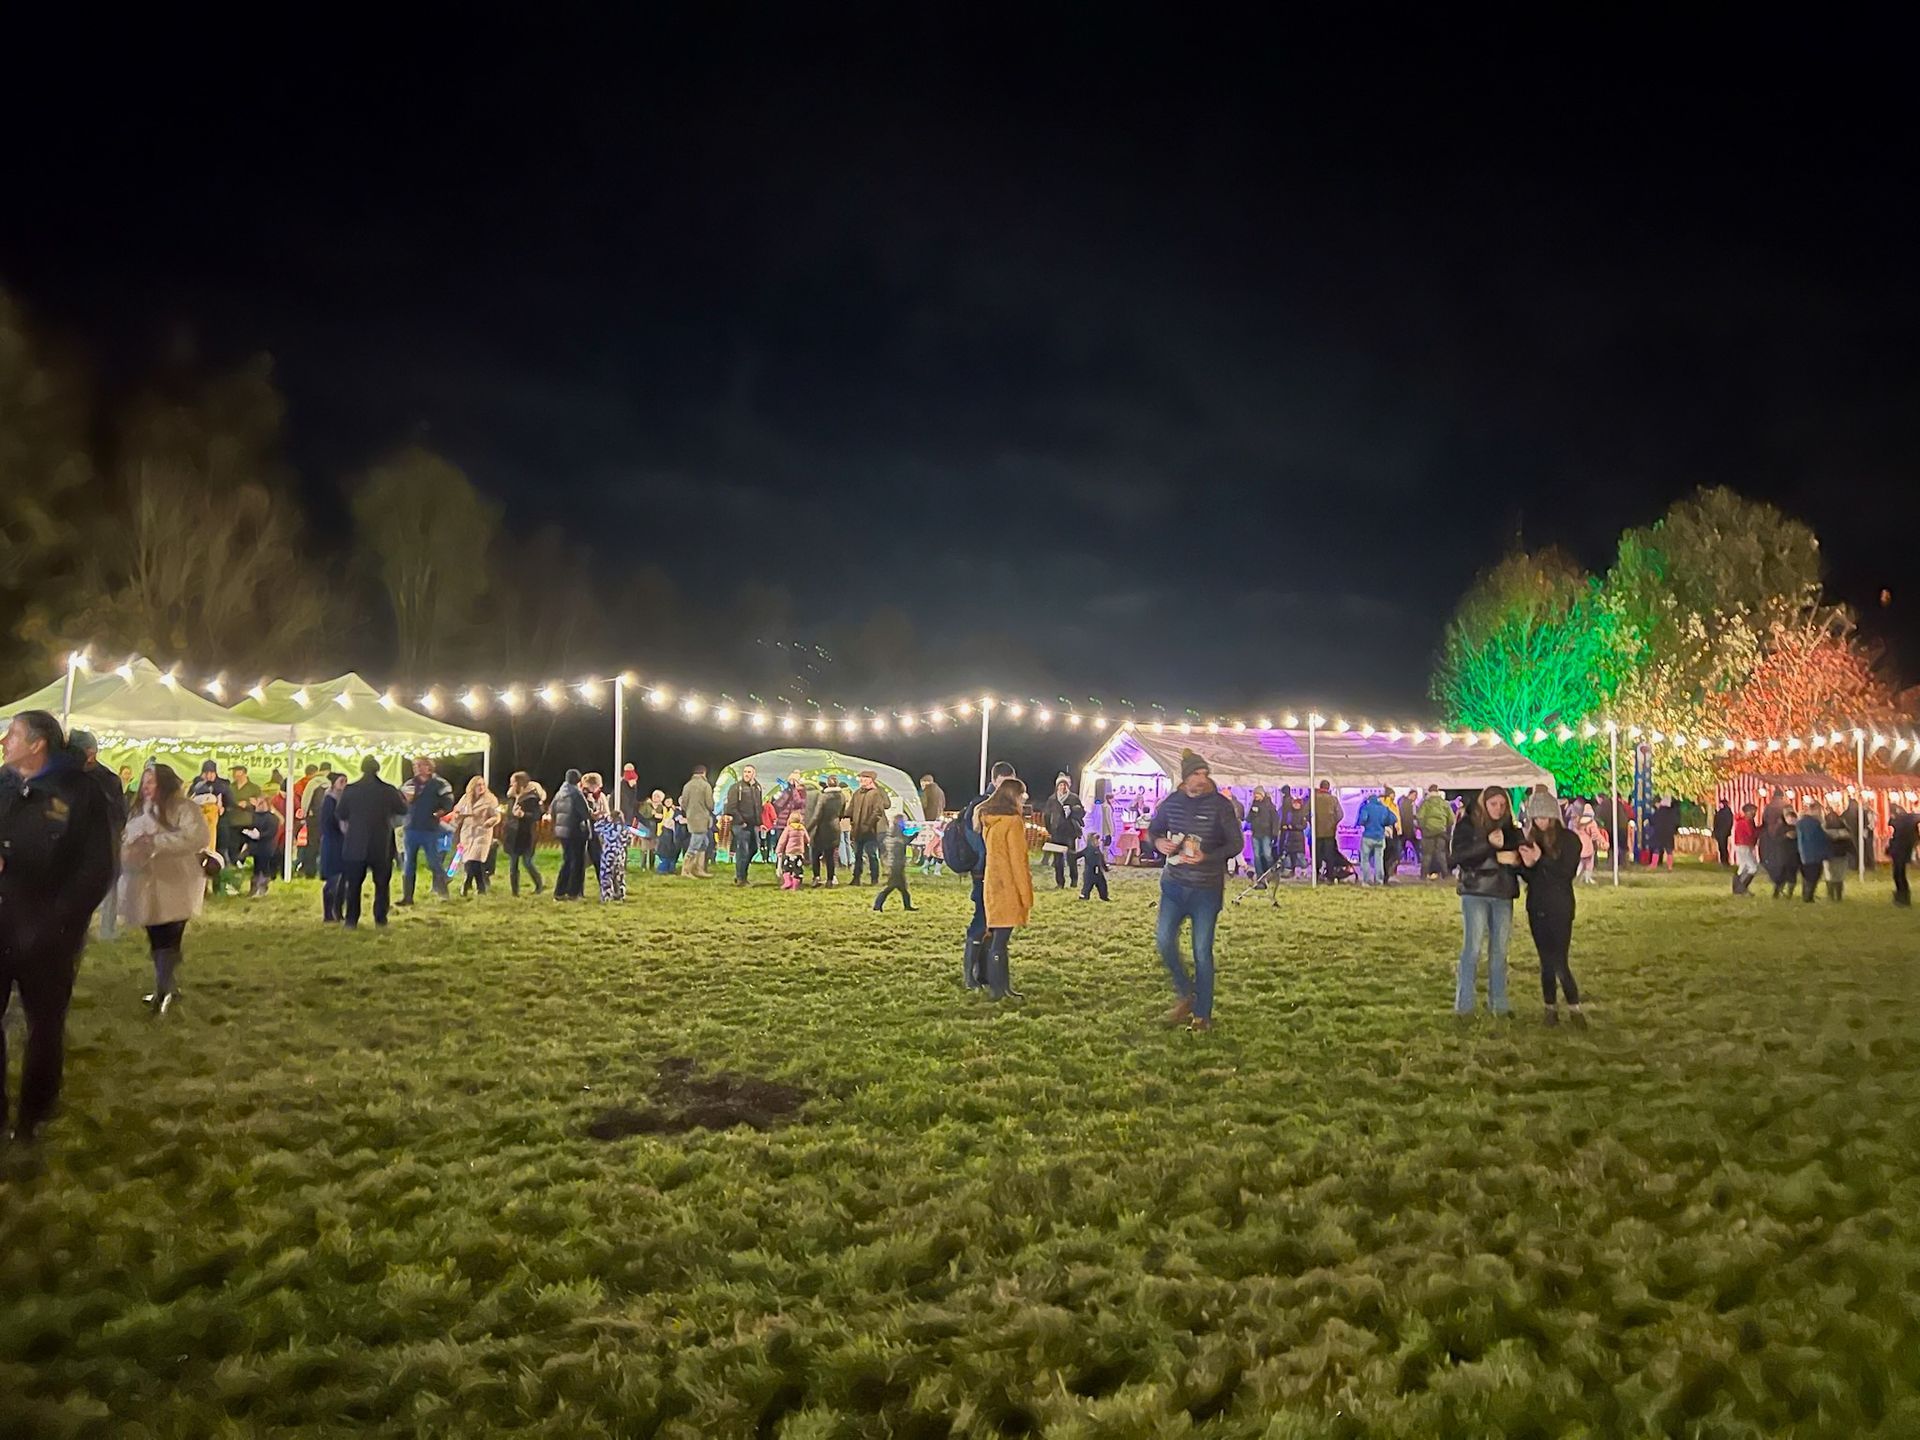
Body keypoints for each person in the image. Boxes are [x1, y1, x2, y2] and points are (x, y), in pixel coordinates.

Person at [0, 712, 116, 1141]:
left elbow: (97, 867)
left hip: (49, 932)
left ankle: (35, 1113)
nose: (3, 741)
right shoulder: (2, 784)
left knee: (44, 1025)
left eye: (11, 734)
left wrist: (60, 921)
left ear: (37, 744)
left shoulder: (80, 792)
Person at [1147, 750, 1241, 1032]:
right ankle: (1186, 992)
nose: (1202, 779)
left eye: (1204, 774)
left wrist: (1208, 857)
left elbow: (1235, 844)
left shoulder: (1221, 806)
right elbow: (1155, 829)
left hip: (1206, 890)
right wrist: (1158, 841)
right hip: (1174, 885)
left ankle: (1202, 1015)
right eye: (1196, 774)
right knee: (1164, 941)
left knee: (1202, 951)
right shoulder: (1172, 802)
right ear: (1186, 777)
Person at [118, 762, 210, 1013]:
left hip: (176, 881)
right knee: (156, 935)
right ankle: (165, 986)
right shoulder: (140, 810)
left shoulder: (184, 808)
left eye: (152, 782)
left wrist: (157, 842)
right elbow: (128, 838)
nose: (147, 787)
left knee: (170, 934)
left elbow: (197, 838)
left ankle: (165, 988)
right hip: (146, 883)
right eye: (145, 782)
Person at [1516, 791, 1585, 1027]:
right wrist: (1524, 865)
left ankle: (1575, 1008)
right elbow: (1530, 877)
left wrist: (1540, 860)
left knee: (1559, 960)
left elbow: (1566, 873)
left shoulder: (1569, 840)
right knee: (1545, 961)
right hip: (1537, 906)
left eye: (1545, 817)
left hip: (1560, 906)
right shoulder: (1530, 840)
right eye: (1536, 817)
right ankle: (1550, 1008)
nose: (1540, 822)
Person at [1451, 785, 1521, 1016]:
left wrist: (1517, 859)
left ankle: (1499, 1004)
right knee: (1472, 948)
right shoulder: (1467, 825)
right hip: (1476, 891)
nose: (1498, 809)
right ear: (1484, 803)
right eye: (1494, 804)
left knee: (1499, 951)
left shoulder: (1511, 829)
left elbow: (1521, 854)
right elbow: (1458, 857)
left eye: (1502, 805)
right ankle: (1464, 1005)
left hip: (1502, 893)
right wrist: (1489, 846)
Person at [954, 761, 1017, 988]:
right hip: (984, 873)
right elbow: (979, 843)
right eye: (1004, 782)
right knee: (982, 920)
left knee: (995, 923)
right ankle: (970, 975)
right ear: (994, 781)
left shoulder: (1004, 805)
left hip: (998, 873)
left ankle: (987, 974)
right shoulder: (981, 806)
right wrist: (992, 862)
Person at [976, 778, 1033, 1000]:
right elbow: (1018, 861)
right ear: (1013, 796)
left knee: (998, 939)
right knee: (1000, 942)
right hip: (1008, 886)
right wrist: (1026, 895)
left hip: (993, 883)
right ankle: (999, 990)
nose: (1024, 798)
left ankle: (1002, 988)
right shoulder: (1013, 823)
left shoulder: (990, 820)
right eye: (1022, 794)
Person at [67, 731, 128, 939]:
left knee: (108, 887)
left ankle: (107, 931)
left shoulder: (108, 780)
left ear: (90, 753)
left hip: (102, 843)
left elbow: (118, 813)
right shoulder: (66, 776)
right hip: (72, 843)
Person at [335, 756, 405, 927]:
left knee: (353, 885)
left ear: (361, 769)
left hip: (355, 843)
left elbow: (341, 813)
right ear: (377, 769)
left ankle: (351, 920)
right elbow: (402, 809)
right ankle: (380, 918)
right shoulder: (388, 790)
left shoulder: (351, 789)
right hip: (381, 843)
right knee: (382, 884)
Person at [395, 757, 455, 905]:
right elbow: (400, 802)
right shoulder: (409, 784)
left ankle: (443, 891)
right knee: (409, 864)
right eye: (415, 765)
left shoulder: (440, 784)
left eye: (420, 765)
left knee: (433, 861)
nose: (416, 768)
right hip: (411, 828)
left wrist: (439, 813)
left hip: (429, 829)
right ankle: (407, 897)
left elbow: (448, 802)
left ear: (429, 767)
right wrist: (405, 802)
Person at [450, 776, 502, 895]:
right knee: (468, 859)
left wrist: (491, 821)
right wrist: (457, 816)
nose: (481, 787)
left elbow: (496, 815)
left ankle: (470, 884)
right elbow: (458, 813)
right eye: (478, 785)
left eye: (483, 784)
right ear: (472, 787)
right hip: (467, 833)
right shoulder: (465, 798)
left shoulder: (490, 800)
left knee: (476, 859)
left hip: (482, 832)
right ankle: (477, 886)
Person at [501, 772, 547, 896]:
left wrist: (523, 815)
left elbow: (537, 815)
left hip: (526, 834)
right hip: (513, 834)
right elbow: (509, 815)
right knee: (513, 863)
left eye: (513, 781)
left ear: (520, 783)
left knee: (527, 862)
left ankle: (539, 884)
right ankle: (514, 892)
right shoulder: (511, 797)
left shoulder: (532, 798)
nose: (511, 784)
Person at [550, 769, 591, 900]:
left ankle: (559, 891)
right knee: (577, 862)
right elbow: (585, 813)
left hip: (562, 832)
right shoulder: (576, 794)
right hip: (575, 831)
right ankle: (573, 892)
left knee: (567, 860)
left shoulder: (560, 793)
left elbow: (552, 810)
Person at [1039, 774, 1086, 889]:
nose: (1062, 787)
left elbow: (1082, 812)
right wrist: (1049, 829)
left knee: (1071, 857)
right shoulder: (1052, 799)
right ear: (1057, 786)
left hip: (1070, 832)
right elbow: (1046, 815)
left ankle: (1074, 880)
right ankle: (1060, 882)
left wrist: (1073, 810)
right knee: (1057, 859)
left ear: (1068, 786)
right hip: (1056, 833)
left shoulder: (1073, 798)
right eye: (1060, 785)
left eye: (1064, 784)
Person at [589, 776, 631, 901]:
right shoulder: (624, 829)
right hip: (620, 855)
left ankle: (607, 895)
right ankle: (621, 893)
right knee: (619, 875)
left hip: (608, 854)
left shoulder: (607, 828)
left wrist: (604, 819)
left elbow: (596, 827)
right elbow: (628, 840)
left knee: (606, 874)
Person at [845, 770, 889, 886]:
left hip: (871, 830)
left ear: (871, 780)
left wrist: (868, 825)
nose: (861, 780)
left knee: (871, 854)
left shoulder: (875, 794)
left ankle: (874, 878)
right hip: (857, 829)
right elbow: (851, 809)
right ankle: (856, 878)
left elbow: (877, 811)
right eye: (861, 777)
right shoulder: (857, 793)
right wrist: (841, 815)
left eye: (864, 778)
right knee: (858, 854)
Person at [725, 763, 766, 887]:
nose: (747, 774)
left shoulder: (757, 788)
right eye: (745, 772)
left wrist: (760, 823)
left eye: (749, 772)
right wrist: (741, 821)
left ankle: (742, 874)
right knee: (743, 851)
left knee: (753, 849)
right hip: (740, 825)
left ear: (754, 774)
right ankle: (741, 878)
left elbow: (758, 807)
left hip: (753, 825)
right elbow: (731, 807)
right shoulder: (736, 788)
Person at [317, 771, 349, 921]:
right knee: (333, 879)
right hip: (332, 843)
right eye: (341, 781)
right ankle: (328, 914)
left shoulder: (343, 799)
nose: (344, 784)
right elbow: (328, 823)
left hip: (342, 843)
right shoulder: (329, 800)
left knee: (343, 880)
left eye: (345, 781)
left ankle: (338, 911)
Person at [242, 785, 283, 897]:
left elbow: (271, 832)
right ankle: (254, 888)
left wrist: (260, 835)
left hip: (267, 847)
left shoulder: (272, 818)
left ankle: (263, 888)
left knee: (264, 868)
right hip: (256, 847)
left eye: (261, 803)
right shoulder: (254, 816)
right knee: (256, 868)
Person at [806, 773, 845, 887]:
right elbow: (842, 813)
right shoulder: (842, 796)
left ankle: (816, 877)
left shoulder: (823, 797)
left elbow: (817, 815)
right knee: (829, 855)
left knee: (815, 854)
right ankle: (830, 879)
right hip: (835, 827)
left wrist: (807, 829)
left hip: (822, 828)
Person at [872, 814, 916, 912]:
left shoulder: (893, 831)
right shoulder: (896, 832)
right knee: (890, 887)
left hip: (894, 863)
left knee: (903, 889)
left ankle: (907, 906)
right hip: (896, 864)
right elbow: (902, 842)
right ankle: (877, 905)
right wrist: (914, 835)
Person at [679, 765, 716, 879]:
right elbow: (710, 804)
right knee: (695, 845)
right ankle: (686, 870)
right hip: (702, 819)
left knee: (704, 843)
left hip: (691, 818)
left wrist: (690, 812)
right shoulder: (706, 785)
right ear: (704, 773)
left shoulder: (687, 786)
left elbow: (683, 803)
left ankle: (698, 869)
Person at [1355, 788, 1397, 886]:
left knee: (1365, 859)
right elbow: (1393, 818)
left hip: (1368, 837)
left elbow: (1362, 819)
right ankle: (1379, 880)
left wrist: (1364, 823)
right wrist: (1384, 823)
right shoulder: (1383, 808)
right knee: (1379, 860)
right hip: (1380, 837)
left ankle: (1366, 881)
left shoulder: (1366, 807)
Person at [298, 764, 333, 878]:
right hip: (328, 818)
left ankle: (310, 871)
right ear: (328, 771)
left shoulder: (313, 783)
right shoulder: (331, 783)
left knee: (312, 843)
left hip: (314, 817)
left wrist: (304, 813)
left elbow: (306, 800)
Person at [1793, 804, 1830, 902]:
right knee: (1814, 876)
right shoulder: (1815, 823)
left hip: (1803, 854)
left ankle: (1806, 895)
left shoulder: (1800, 823)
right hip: (1814, 853)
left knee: (1807, 876)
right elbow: (1821, 838)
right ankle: (1809, 897)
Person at [1245, 785, 1280, 883]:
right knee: (1257, 855)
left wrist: (1274, 834)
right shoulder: (1253, 805)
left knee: (1267, 854)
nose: (1255, 796)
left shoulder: (1269, 805)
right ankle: (1260, 874)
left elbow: (1275, 820)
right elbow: (1248, 819)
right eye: (1254, 794)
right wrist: (1251, 813)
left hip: (1266, 834)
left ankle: (1270, 873)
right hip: (1256, 833)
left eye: (1257, 794)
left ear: (1262, 795)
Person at [1417, 785, 1453, 880]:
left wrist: (1423, 828)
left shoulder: (1425, 803)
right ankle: (1445, 875)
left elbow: (1420, 817)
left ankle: (1423, 876)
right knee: (1441, 854)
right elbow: (1451, 819)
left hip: (1428, 832)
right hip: (1441, 832)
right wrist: (1445, 827)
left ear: (1429, 792)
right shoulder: (1444, 803)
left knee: (1427, 854)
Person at [1820, 803, 1853, 901]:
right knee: (1839, 875)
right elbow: (1849, 843)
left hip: (1829, 855)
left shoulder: (1824, 830)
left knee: (1829, 875)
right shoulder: (1845, 831)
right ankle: (1838, 896)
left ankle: (1830, 895)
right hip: (1841, 855)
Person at [1311, 779, 1342, 880]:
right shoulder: (1333, 799)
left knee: (1317, 855)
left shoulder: (1314, 799)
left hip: (1317, 832)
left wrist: (1312, 823)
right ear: (1328, 788)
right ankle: (1330, 875)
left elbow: (1305, 813)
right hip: (1330, 832)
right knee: (1330, 855)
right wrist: (1333, 824)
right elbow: (1340, 815)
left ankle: (1316, 875)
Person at [1730, 802, 1760, 896]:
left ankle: (1736, 887)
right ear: (1747, 812)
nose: (1754, 814)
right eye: (1752, 811)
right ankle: (1742, 888)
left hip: (1741, 845)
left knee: (1742, 867)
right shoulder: (1745, 822)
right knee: (1753, 867)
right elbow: (1751, 833)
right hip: (1744, 846)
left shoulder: (1741, 822)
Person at [1888, 801, 1915, 907]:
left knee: (1899, 875)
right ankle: (1902, 897)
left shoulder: (1903, 822)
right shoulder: (1906, 821)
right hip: (1900, 851)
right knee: (1899, 875)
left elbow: (1891, 823)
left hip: (1900, 852)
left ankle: (1902, 897)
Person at [1277, 784, 1306, 876]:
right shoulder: (1290, 812)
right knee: (1291, 855)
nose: (1295, 805)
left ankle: (1301, 870)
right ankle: (1290, 870)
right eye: (1295, 803)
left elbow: (1303, 825)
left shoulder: (1301, 814)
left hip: (1296, 838)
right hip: (1290, 838)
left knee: (1298, 856)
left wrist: (1292, 827)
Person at [776, 812, 810, 890]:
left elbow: (782, 841)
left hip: (789, 853)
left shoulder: (788, 829)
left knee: (787, 868)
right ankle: (795, 885)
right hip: (799, 853)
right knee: (797, 869)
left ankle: (787, 882)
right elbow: (807, 839)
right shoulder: (802, 828)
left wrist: (779, 850)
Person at [1573, 803, 1603, 884]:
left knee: (1581, 862)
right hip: (1588, 846)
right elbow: (1595, 834)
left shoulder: (1577, 822)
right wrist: (1602, 841)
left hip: (1579, 845)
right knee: (1589, 862)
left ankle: (1576, 876)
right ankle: (1587, 878)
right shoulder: (1591, 823)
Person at [1077, 829, 1110, 901]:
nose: (1098, 842)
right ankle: (1084, 896)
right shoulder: (1087, 849)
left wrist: (1105, 868)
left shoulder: (1098, 850)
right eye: (1096, 840)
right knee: (1087, 886)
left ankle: (1104, 896)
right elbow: (1077, 855)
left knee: (1102, 884)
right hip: (1089, 872)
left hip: (1098, 872)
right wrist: (1069, 853)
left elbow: (1101, 860)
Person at [1711, 799, 1735, 867]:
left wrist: (1726, 831)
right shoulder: (1720, 812)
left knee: (1723, 847)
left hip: (1723, 832)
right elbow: (1715, 823)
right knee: (1721, 847)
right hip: (1719, 832)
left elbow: (1728, 823)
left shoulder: (1727, 812)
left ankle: (1725, 861)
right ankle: (1723, 861)